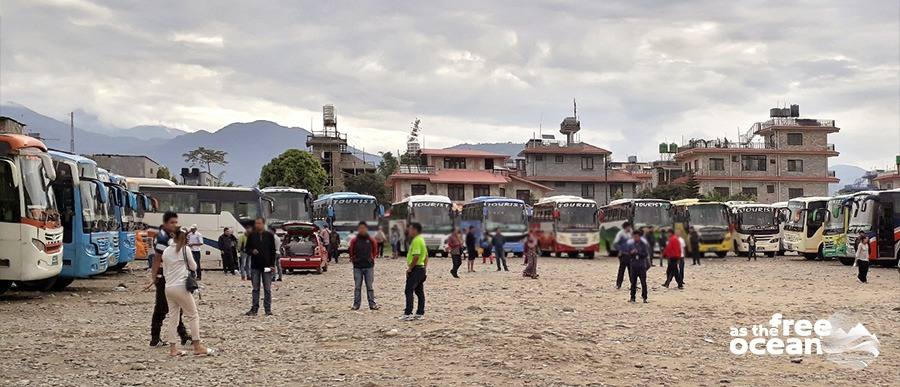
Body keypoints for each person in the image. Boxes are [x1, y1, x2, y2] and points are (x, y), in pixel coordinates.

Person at [161, 227, 214, 356]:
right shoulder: (185, 250)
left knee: (173, 318)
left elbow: (165, 270)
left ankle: (173, 349)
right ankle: (197, 345)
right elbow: (193, 267)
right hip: (181, 286)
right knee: (193, 315)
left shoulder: (166, 251)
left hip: (169, 287)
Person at [146, 211, 190, 348]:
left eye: (176, 222)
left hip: (171, 276)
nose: (174, 225)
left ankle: (183, 336)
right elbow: (157, 258)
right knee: (161, 308)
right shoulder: (162, 238)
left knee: (175, 307)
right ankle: (155, 337)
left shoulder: (169, 236)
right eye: (172, 222)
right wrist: (154, 276)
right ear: (165, 223)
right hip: (164, 276)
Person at [244, 217, 277, 316]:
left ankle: (268, 309)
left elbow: (273, 251)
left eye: (259, 223)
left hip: (267, 266)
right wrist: (252, 251)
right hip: (255, 266)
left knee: (267, 288)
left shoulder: (269, 236)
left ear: (263, 224)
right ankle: (254, 309)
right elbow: (247, 249)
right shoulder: (252, 236)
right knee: (255, 288)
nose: (257, 225)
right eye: (256, 223)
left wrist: (272, 265)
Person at [348, 222, 379, 310]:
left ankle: (372, 304)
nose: (362, 230)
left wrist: (372, 258)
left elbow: (375, 250)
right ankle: (356, 304)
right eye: (360, 228)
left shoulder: (371, 239)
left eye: (364, 228)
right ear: (358, 229)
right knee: (357, 287)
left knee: (370, 286)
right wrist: (353, 259)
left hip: (369, 266)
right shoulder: (354, 240)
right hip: (357, 267)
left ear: (366, 229)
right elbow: (351, 250)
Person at [400, 222, 428, 321]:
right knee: (419, 291)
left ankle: (408, 313)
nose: (409, 231)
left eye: (411, 229)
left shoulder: (416, 240)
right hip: (421, 268)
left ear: (415, 230)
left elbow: (416, 257)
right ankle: (420, 313)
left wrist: (410, 268)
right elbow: (426, 256)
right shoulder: (421, 240)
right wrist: (424, 268)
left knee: (409, 290)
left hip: (416, 269)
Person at [626, 230, 650, 303]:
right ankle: (632, 297)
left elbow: (645, 254)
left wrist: (638, 253)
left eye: (636, 236)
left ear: (639, 237)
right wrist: (631, 253)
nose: (635, 238)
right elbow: (628, 255)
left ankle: (644, 297)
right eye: (634, 237)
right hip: (633, 266)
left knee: (643, 282)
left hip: (641, 266)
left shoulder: (643, 244)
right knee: (633, 283)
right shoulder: (631, 244)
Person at [614, 222, 633, 289]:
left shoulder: (630, 233)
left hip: (630, 255)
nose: (630, 228)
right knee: (622, 270)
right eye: (629, 227)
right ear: (626, 227)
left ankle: (633, 284)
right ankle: (618, 284)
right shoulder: (620, 234)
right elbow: (616, 244)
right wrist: (620, 250)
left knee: (631, 270)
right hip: (623, 254)